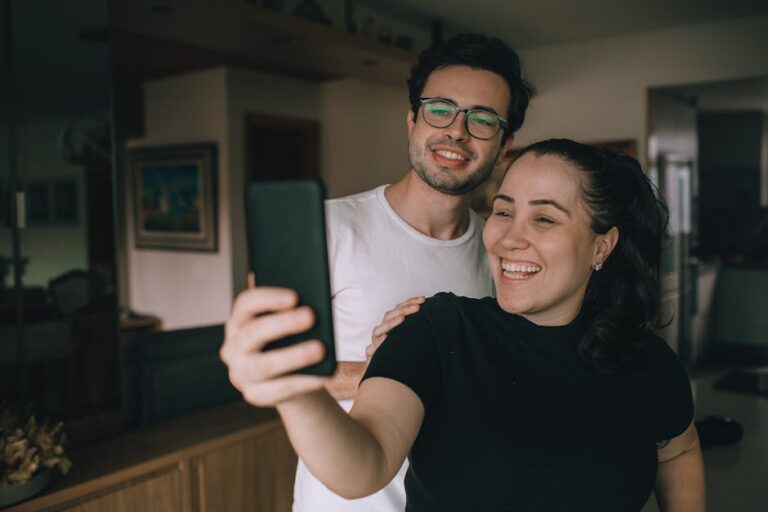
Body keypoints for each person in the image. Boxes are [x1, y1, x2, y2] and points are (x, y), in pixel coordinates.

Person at [221, 139, 705, 511]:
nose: (510, 238)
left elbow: (678, 449)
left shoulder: (646, 361)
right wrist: (295, 391)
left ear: (602, 246)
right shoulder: (437, 328)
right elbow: (362, 464)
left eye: (544, 220)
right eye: (503, 210)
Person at [243, 33, 528, 512]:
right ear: (412, 120)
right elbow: (271, 363)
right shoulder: (328, 227)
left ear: (504, 145)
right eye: (441, 109)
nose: (457, 131)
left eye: (482, 120)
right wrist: (398, 372)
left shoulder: (502, 252)